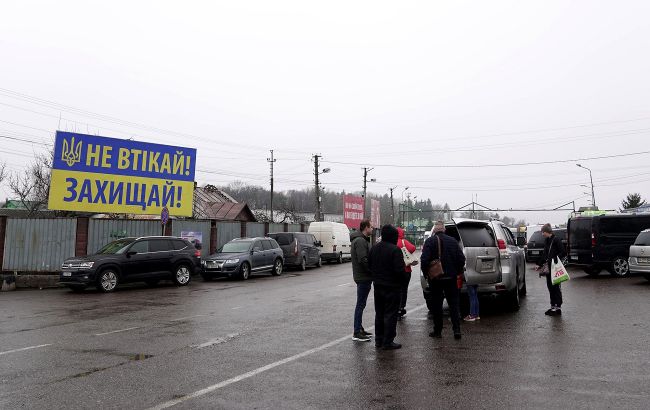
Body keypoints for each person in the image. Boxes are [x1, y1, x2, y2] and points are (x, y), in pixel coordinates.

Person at [420, 221, 466, 340]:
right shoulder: (453, 241)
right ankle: (457, 330)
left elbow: (424, 260)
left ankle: (438, 331)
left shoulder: (429, 242)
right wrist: (457, 271)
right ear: (444, 230)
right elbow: (461, 259)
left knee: (437, 305)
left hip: (436, 279)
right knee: (454, 305)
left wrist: (427, 274)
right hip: (451, 278)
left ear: (434, 231)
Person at [369, 224, 407, 350]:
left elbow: (369, 266)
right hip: (392, 287)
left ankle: (378, 340)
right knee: (390, 315)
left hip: (378, 286)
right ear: (393, 236)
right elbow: (400, 271)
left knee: (379, 314)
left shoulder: (374, 248)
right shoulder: (395, 250)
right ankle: (388, 341)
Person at [535, 223, 566, 316]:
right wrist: (539, 264)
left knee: (556, 287)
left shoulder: (556, 240)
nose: (542, 234)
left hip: (555, 267)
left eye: (543, 232)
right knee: (550, 287)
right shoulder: (547, 240)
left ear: (547, 231)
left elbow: (563, 252)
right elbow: (545, 254)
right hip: (549, 268)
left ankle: (558, 308)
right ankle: (553, 307)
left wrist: (556, 258)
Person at [350, 219, 374, 342]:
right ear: (366, 228)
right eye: (371, 227)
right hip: (363, 277)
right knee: (360, 304)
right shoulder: (360, 241)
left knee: (361, 304)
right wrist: (372, 272)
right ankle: (357, 331)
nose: (373, 229)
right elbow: (363, 260)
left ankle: (360, 328)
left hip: (364, 277)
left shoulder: (362, 240)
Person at [396, 227, 417, 320]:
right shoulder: (403, 242)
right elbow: (413, 248)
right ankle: (401, 307)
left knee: (396, 289)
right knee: (404, 289)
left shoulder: (392, 242)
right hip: (406, 270)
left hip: (396, 270)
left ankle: (396, 308)